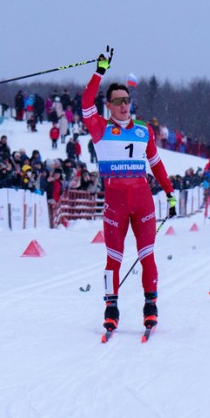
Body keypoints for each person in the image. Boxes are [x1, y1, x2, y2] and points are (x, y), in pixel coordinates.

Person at [82, 48, 177, 334]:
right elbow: (86, 103)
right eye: (118, 101)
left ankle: (151, 307)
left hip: (143, 203)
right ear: (109, 106)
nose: (124, 106)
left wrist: (170, 193)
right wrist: (99, 71)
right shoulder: (100, 128)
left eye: (127, 100)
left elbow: (157, 165)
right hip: (115, 205)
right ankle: (111, 309)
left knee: (147, 255)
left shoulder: (143, 131)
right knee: (114, 258)